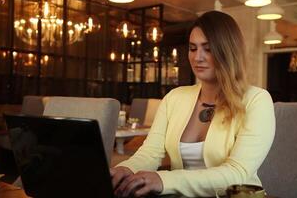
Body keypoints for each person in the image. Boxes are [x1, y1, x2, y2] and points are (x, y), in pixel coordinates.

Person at [110, 11, 275, 197]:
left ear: (228, 51)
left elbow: (237, 173)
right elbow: (151, 153)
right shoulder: (174, 97)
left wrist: (164, 180)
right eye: (193, 48)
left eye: (208, 48)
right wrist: (125, 169)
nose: (198, 57)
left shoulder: (257, 100)